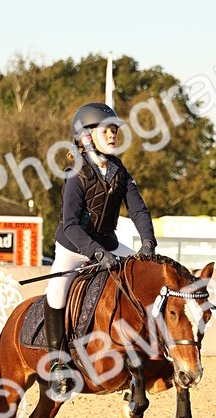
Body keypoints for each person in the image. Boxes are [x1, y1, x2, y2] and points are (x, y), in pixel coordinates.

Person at [44, 102, 158, 397]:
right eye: (107, 130)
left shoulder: (119, 170)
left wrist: (148, 243)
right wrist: (95, 253)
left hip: (109, 244)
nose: (113, 135)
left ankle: (146, 350)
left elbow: (139, 210)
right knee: (56, 293)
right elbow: (69, 225)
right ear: (86, 137)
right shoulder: (76, 174)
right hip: (74, 246)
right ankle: (58, 364)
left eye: (115, 130)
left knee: (143, 278)